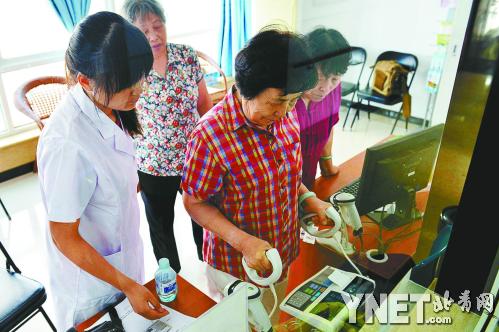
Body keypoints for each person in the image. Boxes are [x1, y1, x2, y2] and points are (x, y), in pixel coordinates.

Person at [181, 28, 333, 324]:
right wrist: (245, 243)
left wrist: (309, 198)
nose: (286, 111)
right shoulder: (210, 136)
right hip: (237, 266)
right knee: (240, 325)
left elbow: (283, 176)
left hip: (281, 254)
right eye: (278, 101)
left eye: (292, 101)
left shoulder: (284, 116)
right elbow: (194, 203)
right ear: (247, 87)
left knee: (270, 320)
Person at [37, 12, 167, 331]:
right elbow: (64, 237)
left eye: (141, 77)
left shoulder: (110, 105)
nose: (139, 89)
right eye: (126, 83)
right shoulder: (66, 142)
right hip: (92, 287)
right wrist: (126, 284)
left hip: (120, 261)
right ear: (85, 81)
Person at [123, 0, 211, 272]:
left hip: (193, 158)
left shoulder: (185, 56)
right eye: (144, 30)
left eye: (157, 26)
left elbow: (205, 105)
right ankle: (172, 282)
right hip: (152, 164)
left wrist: (214, 148)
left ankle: (211, 266)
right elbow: (123, 122)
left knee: (205, 218)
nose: (153, 35)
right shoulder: (128, 69)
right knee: (160, 227)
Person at [296, 27, 351, 189]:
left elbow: (328, 127)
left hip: (308, 184)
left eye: (335, 79)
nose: (325, 88)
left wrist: (327, 166)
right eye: (320, 78)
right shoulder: (285, 99)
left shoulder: (332, 93)